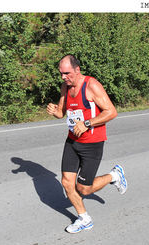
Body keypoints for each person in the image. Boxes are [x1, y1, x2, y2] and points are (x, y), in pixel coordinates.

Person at [47, 54, 127, 233]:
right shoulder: (65, 88)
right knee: (67, 183)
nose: (63, 77)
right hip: (72, 140)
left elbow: (111, 112)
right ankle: (84, 218)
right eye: (61, 73)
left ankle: (114, 176)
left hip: (92, 142)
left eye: (66, 73)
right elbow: (62, 113)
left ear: (77, 70)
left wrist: (87, 123)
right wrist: (55, 111)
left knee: (83, 189)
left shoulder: (92, 85)